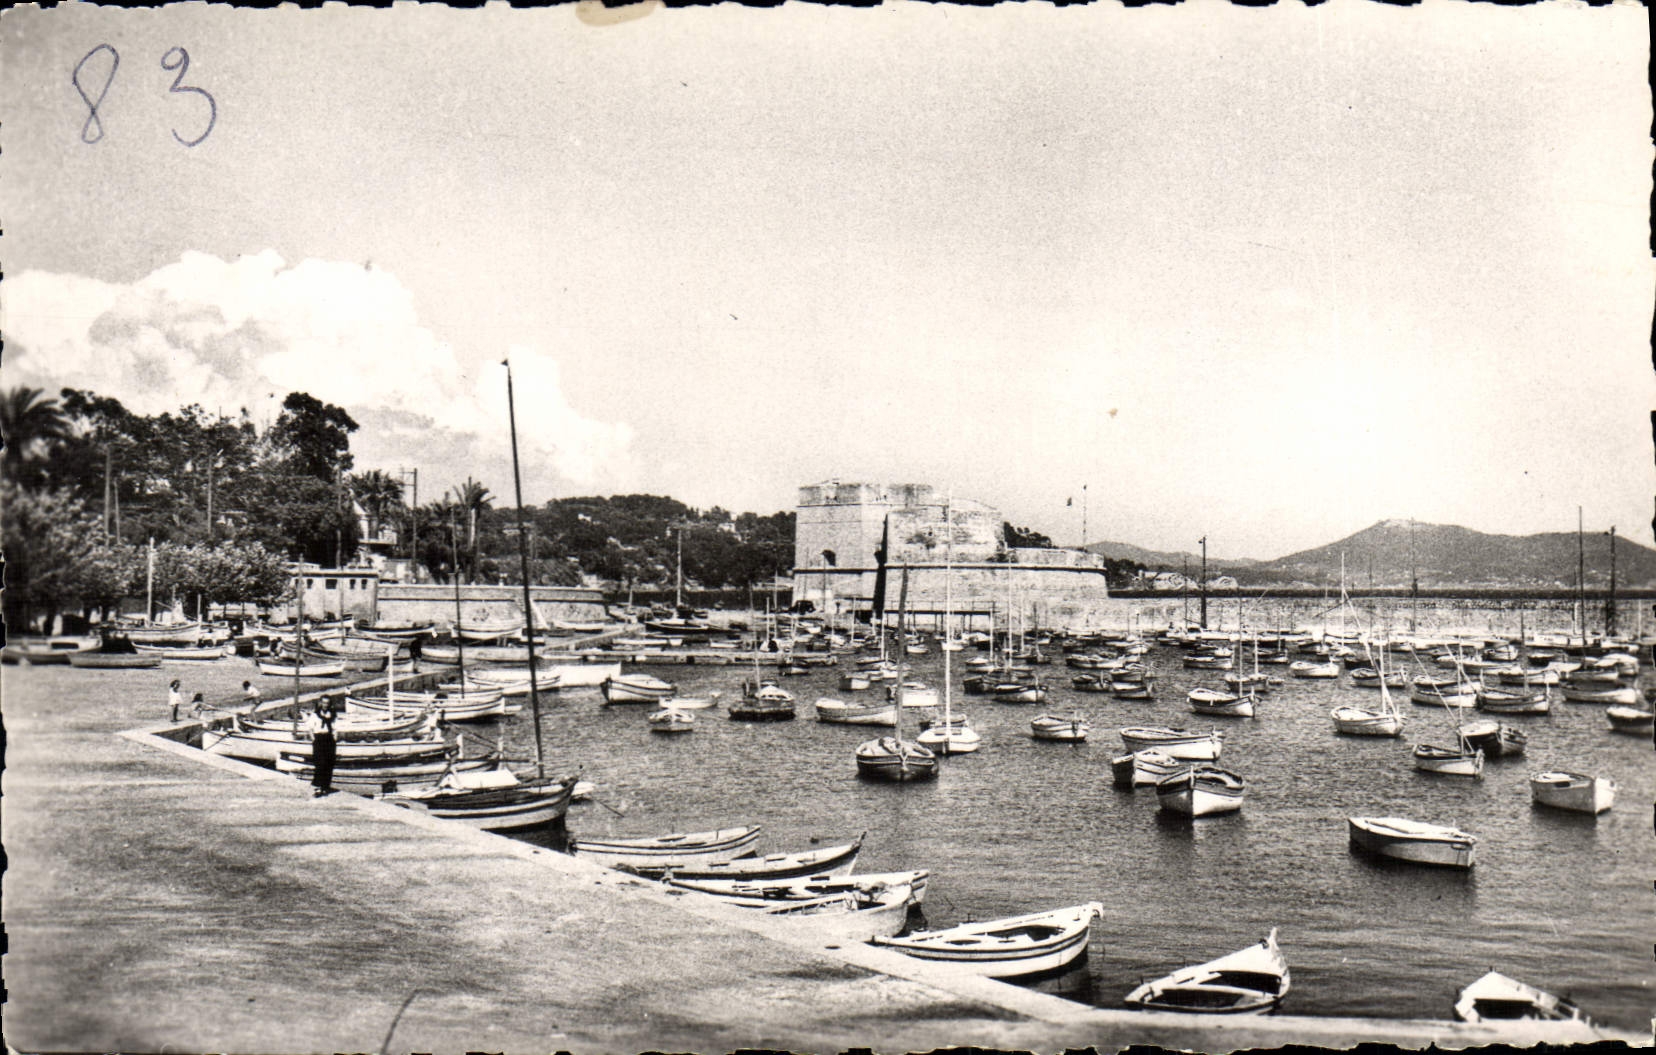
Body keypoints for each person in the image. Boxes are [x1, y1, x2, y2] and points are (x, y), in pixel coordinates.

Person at [305, 700, 338, 797]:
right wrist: (314, 739)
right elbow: (310, 728)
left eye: (327, 703)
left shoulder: (332, 715)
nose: (325, 705)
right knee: (320, 763)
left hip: (329, 739)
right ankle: (318, 787)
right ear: (321, 703)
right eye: (324, 703)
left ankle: (325, 787)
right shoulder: (315, 715)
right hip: (319, 739)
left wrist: (334, 739)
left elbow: (336, 728)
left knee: (329, 763)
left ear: (329, 704)